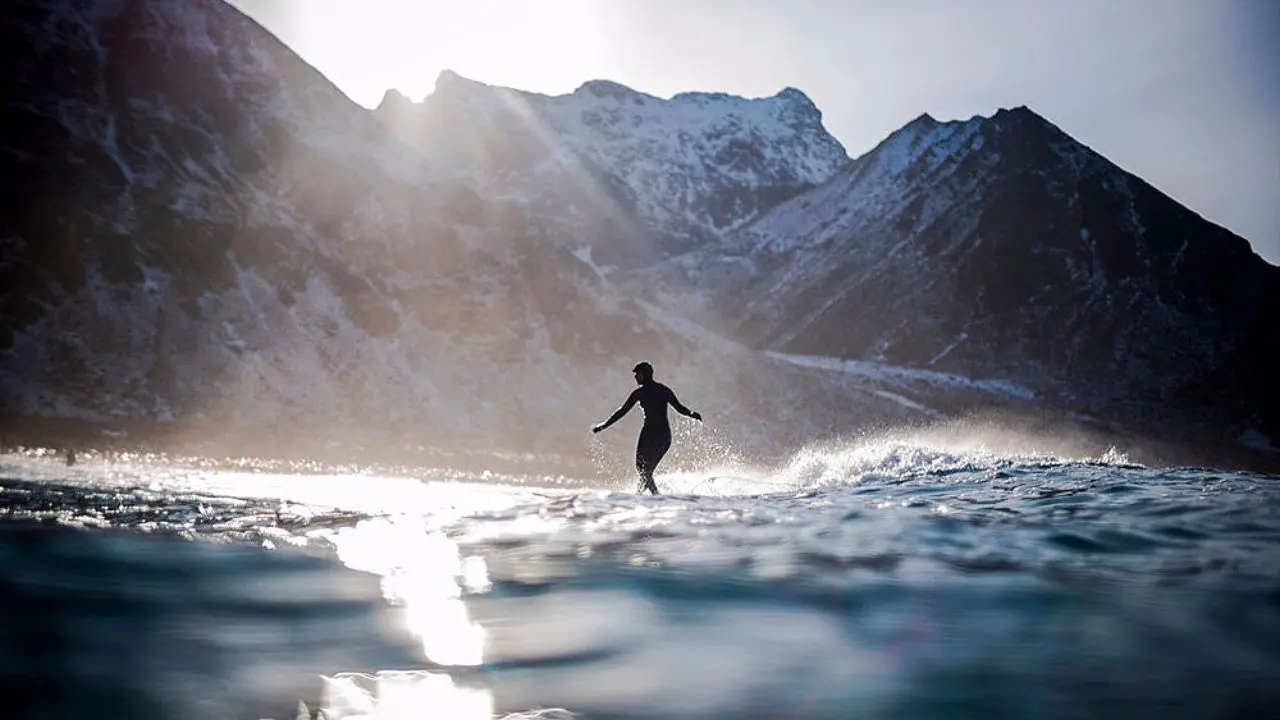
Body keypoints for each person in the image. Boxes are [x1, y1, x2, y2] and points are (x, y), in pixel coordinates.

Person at [592, 362, 702, 494]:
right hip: (654, 434)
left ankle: (655, 496)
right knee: (644, 469)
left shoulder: (647, 392)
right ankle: (639, 495)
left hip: (660, 435)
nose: (635, 378)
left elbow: (679, 408)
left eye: (637, 374)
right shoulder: (656, 390)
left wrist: (691, 414)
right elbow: (622, 412)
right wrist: (604, 425)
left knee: (644, 469)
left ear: (645, 374)